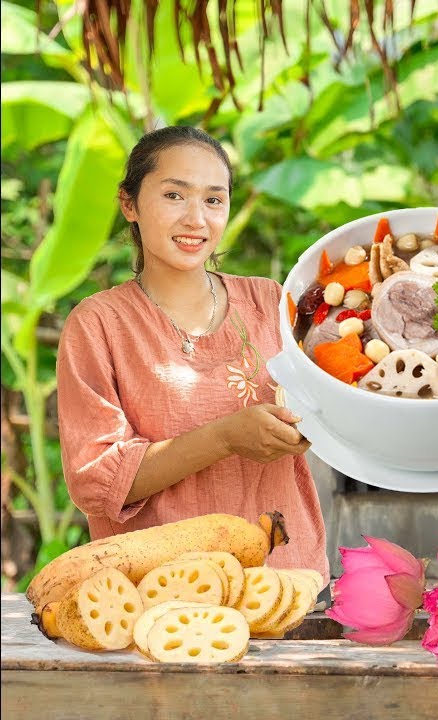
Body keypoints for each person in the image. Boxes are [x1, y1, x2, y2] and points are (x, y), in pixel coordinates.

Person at [55, 126, 328, 579]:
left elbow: (334, 397)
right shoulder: (98, 324)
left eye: (214, 199)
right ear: (129, 204)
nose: (196, 219)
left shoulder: (269, 302)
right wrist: (223, 438)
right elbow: (96, 482)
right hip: (158, 592)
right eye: (174, 196)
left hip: (286, 578)